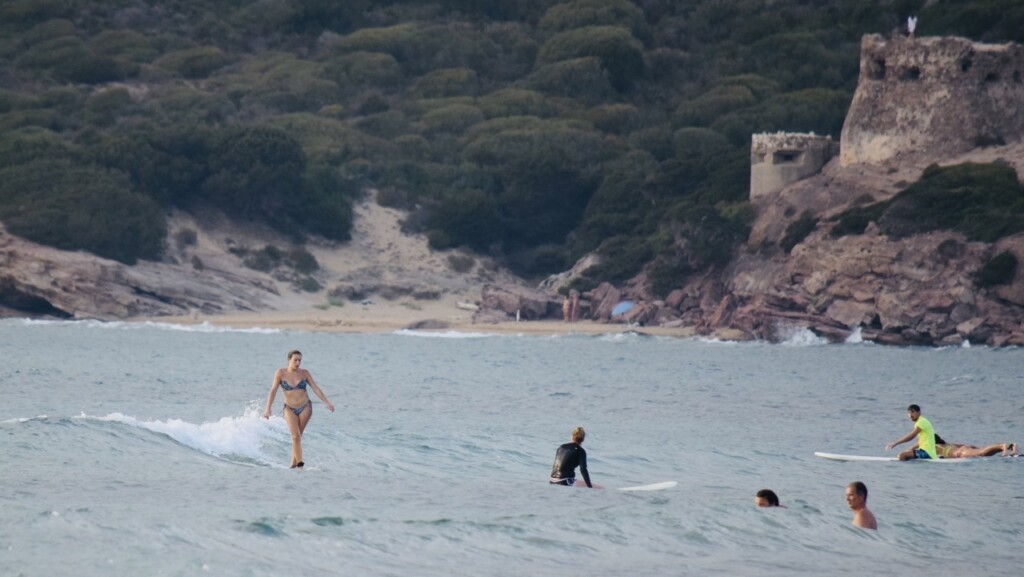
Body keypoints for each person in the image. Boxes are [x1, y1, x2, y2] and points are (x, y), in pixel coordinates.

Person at [263, 350, 335, 468]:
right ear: (289, 360)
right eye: (295, 360)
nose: (298, 363)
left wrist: (327, 402)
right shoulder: (280, 373)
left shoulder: (304, 373)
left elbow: (315, 388)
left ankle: (293, 463)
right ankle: (300, 465)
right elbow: (273, 391)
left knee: (297, 437)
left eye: (299, 360)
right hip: (289, 409)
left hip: (305, 407)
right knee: (296, 436)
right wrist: (267, 408)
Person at [933, 434, 1017, 458]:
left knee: (982, 453)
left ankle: (1002, 446)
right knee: (985, 452)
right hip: (964, 449)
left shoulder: (935, 446)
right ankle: (1010, 446)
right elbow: (964, 445)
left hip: (961, 453)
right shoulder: (946, 444)